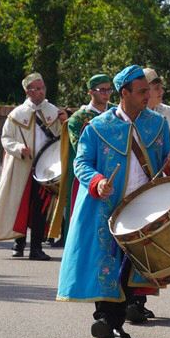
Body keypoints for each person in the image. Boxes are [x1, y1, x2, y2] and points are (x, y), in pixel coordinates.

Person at [57, 65, 170, 338]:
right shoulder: (99, 127)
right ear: (124, 93)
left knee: (130, 265)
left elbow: (164, 165)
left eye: (148, 90)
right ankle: (105, 320)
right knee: (106, 263)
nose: (147, 95)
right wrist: (98, 181)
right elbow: (81, 163)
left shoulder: (157, 124)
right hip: (106, 206)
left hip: (143, 206)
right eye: (141, 91)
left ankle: (115, 319)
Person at [0, 73, 67, 261]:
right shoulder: (16, 114)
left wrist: (64, 122)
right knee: (19, 204)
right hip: (21, 166)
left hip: (45, 167)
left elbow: (61, 136)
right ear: (28, 91)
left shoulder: (53, 111)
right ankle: (18, 243)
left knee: (40, 209)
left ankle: (36, 248)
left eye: (43, 87)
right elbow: (6, 138)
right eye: (37, 88)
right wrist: (19, 148)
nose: (41, 91)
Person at [62, 74, 115, 242]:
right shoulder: (78, 118)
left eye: (109, 89)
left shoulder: (116, 112)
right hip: (91, 174)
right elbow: (79, 148)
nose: (106, 94)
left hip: (114, 171)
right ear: (90, 92)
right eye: (102, 90)